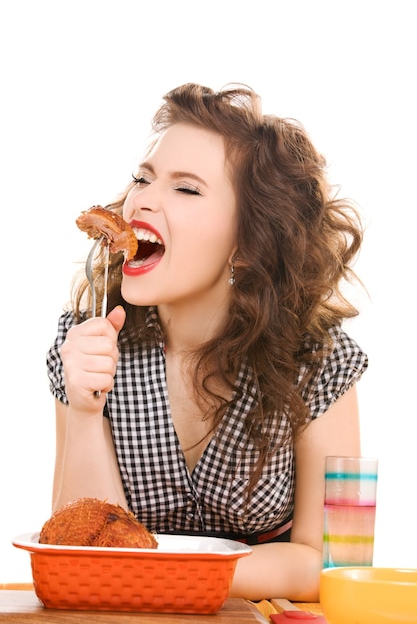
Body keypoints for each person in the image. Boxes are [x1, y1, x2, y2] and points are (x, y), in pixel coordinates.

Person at [46, 82, 368, 601]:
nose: (141, 200)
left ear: (248, 244)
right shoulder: (86, 339)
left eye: (186, 188)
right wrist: (84, 410)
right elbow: (85, 545)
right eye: (142, 178)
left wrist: (172, 574)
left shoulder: (320, 362)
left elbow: (334, 562)